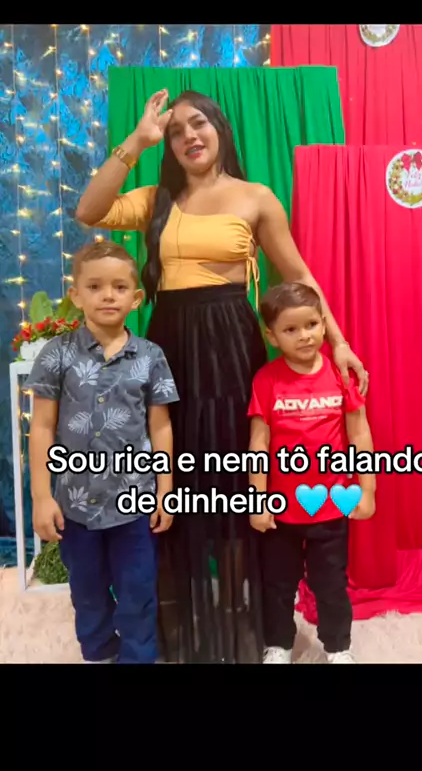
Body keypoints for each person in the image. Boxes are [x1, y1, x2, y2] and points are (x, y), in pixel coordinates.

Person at [75, 87, 369, 664]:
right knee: (173, 469)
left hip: (231, 346)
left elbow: (299, 276)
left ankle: (242, 623)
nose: (189, 135)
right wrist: (137, 141)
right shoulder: (156, 199)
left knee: (234, 472)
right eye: (176, 129)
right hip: (169, 346)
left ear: (220, 129)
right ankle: (178, 620)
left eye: (199, 123)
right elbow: (89, 211)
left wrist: (338, 342)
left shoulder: (256, 197)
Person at [25, 241, 179, 664]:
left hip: (136, 503)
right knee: (88, 592)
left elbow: (160, 426)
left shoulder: (151, 357)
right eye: (94, 286)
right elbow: (42, 427)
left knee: (138, 592)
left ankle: (138, 657)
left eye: (119, 287)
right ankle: (99, 654)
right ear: (76, 295)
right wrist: (41, 496)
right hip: (76, 507)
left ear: (136, 297)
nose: (108, 295)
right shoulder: (56, 354)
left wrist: (166, 489)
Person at [248, 282, 376, 664]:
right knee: (278, 585)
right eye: (291, 329)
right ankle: (278, 644)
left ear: (323, 324)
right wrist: (256, 500)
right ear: (272, 336)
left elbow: (359, 433)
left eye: (311, 325)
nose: (304, 335)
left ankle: (338, 647)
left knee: (330, 585)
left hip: (332, 506)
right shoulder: (267, 380)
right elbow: (258, 444)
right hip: (281, 511)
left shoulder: (341, 375)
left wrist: (367, 489)